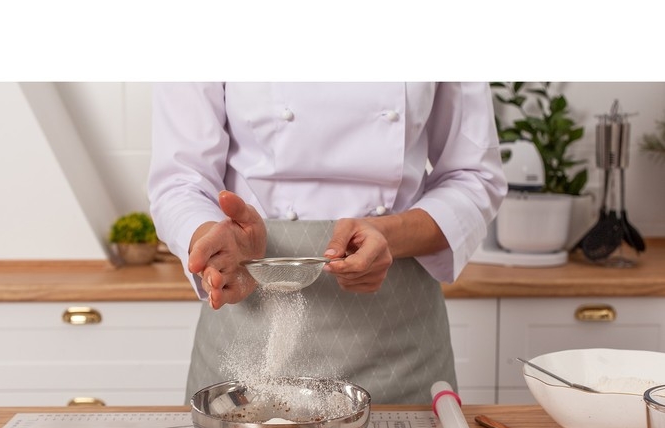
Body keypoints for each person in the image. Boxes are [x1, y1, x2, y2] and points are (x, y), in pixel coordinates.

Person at [148, 83, 507, 405]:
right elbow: (180, 181)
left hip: (398, 338)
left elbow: (475, 178)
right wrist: (213, 242)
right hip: (249, 307)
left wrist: (388, 234)